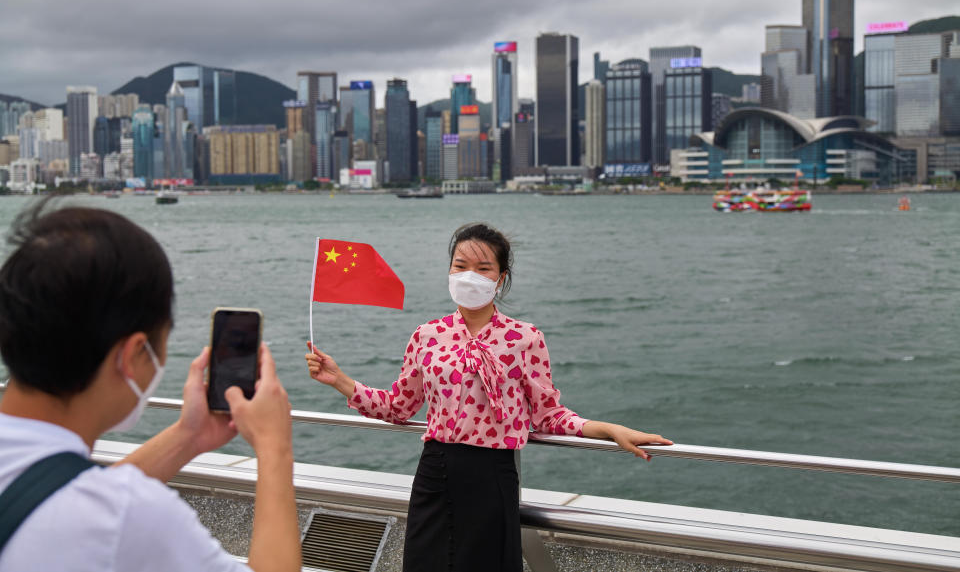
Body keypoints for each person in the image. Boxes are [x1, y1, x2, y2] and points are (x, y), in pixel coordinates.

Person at [306, 223, 672, 572]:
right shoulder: (427, 335)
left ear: (501, 279)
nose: (470, 276)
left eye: (483, 268)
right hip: (436, 473)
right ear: (448, 271)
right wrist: (340, 380)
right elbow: (399, 407)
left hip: (492, 476)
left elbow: (548, 415)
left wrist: (609, 430)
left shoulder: (525, 339)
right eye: (460, 265)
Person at [0, 202, 300, 572]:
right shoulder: (128, 516)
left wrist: (190, 436)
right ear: (133, 355)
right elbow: (102, 513)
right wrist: (275, 448)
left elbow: (49, 494)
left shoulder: (89, 505)